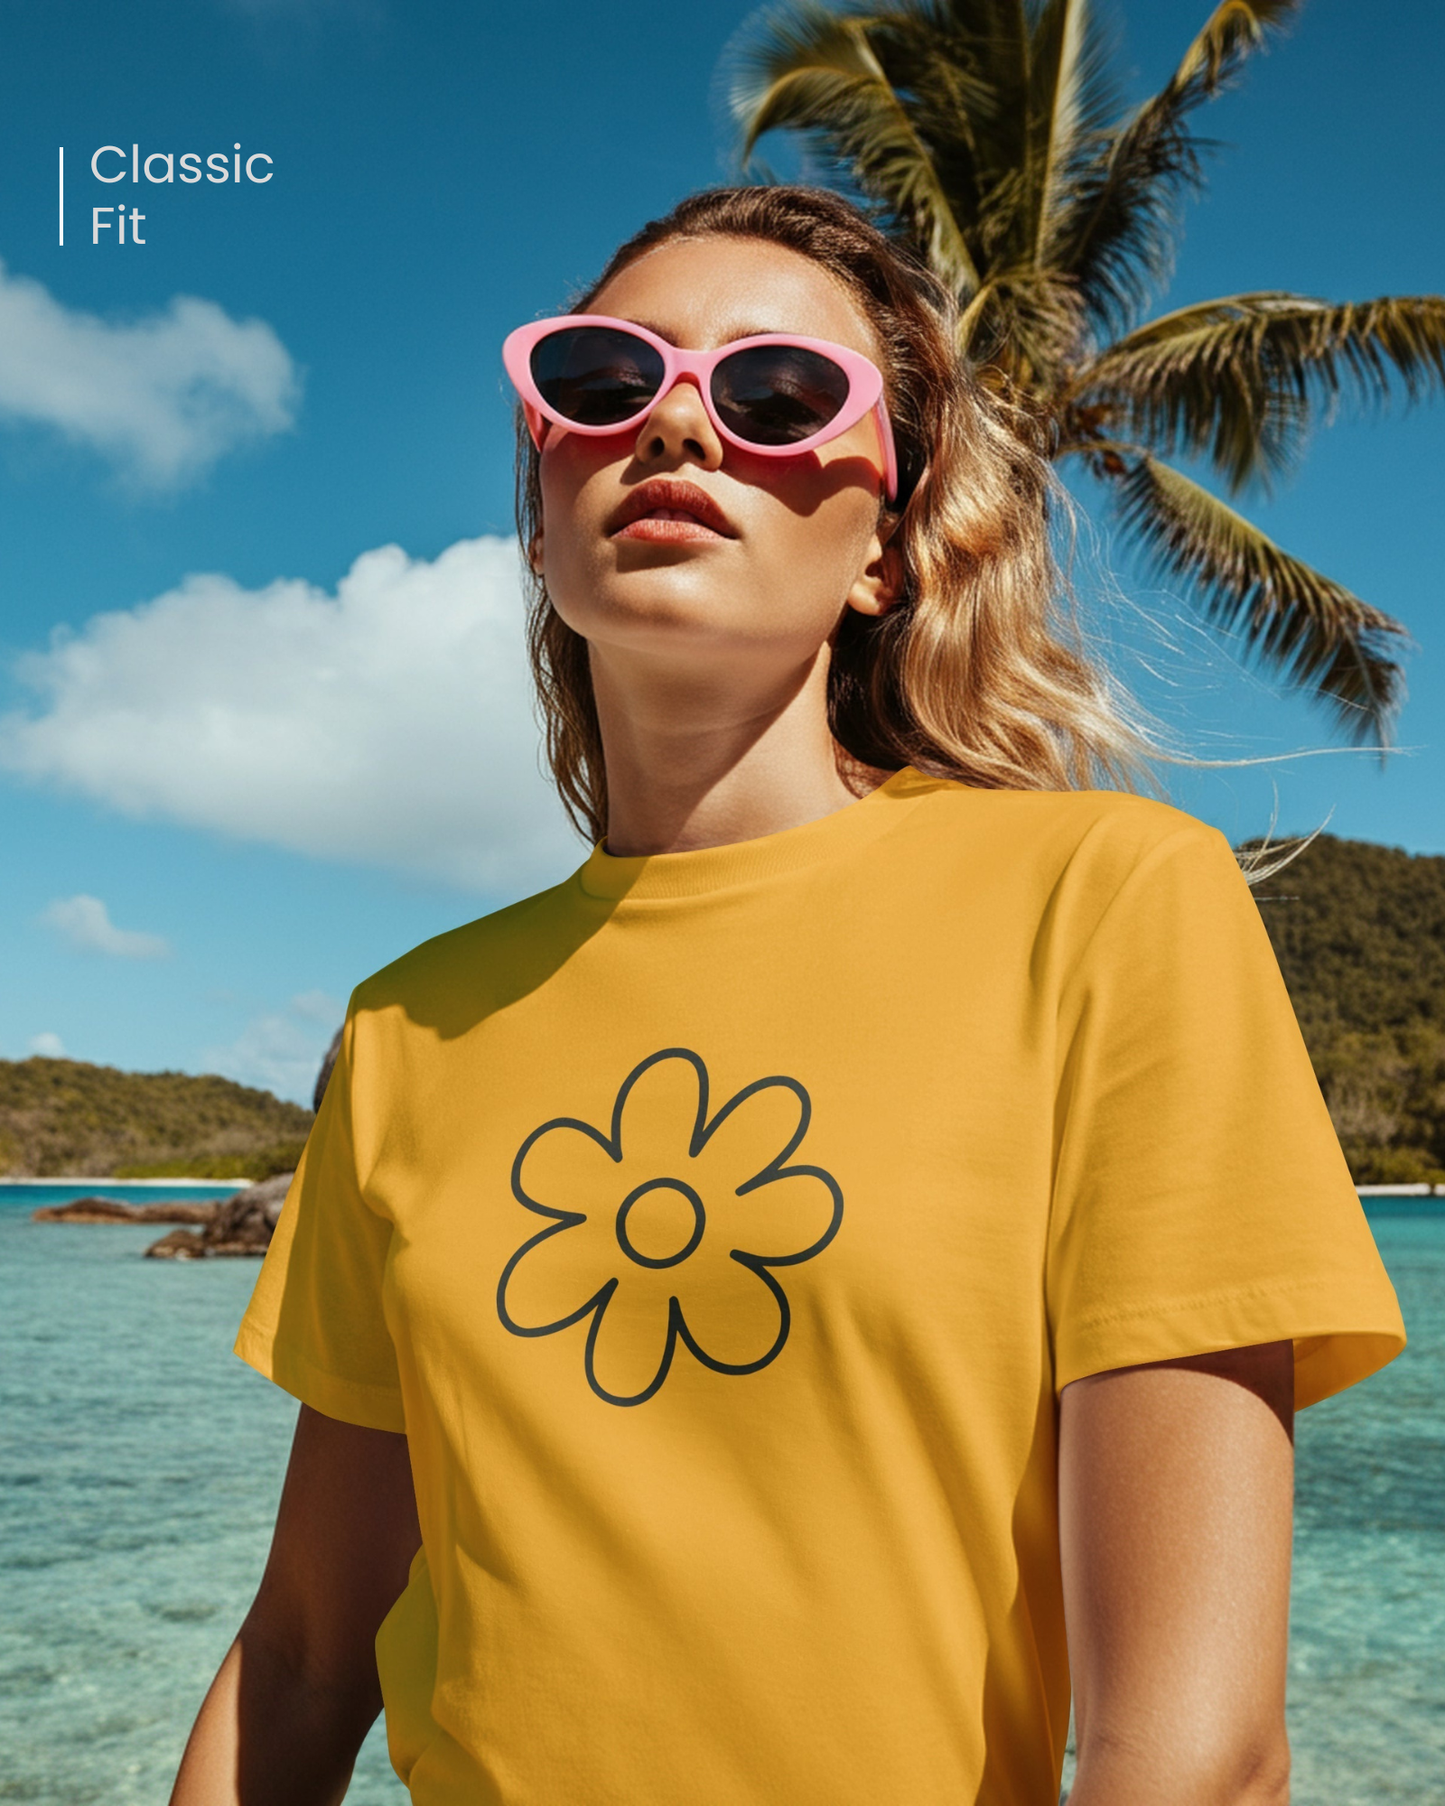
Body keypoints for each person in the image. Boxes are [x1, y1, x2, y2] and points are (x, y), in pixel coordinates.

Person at [170, 185, 1405, 1806]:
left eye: (775, 392)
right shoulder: (409, 1027)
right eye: (605, 379)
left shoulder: (1106, 908)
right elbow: (302, 1658)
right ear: (541, 517)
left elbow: (1196, 1749)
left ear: (886, 544)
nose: (677, 426)